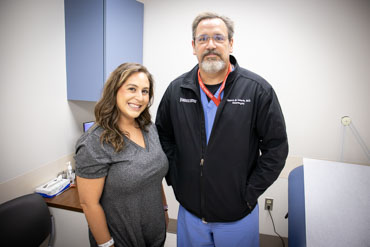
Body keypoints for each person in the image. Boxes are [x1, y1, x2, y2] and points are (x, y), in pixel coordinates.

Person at [155, 12, 288, 246]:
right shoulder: (177, 91)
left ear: (231, 43)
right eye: (203, 39)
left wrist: (248, 194)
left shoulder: (257, 90)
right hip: (190, 214)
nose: (211, 45)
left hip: (238, 215)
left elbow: (276, 149)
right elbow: (163, 136)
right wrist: (177, 176)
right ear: (193, 46)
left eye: (218, 37)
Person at [75, 63, 169, 247]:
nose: (139, 97)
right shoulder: (95, 141)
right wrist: (107, 244)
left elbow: (154, 177)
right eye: (131, 89)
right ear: (114, 91)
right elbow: (88, 204)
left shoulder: (149, 128)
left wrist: (164, 210)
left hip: (155, 235)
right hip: (121, 239)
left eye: (145, 91)